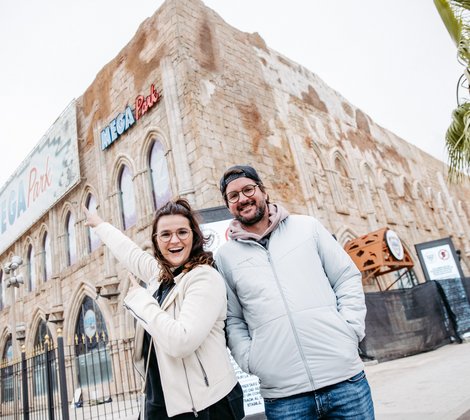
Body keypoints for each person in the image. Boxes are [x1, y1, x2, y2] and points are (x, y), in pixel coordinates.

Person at [215, 165, 375, 420]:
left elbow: (346, 277)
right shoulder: (226, 257)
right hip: (284, 397)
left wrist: (350, 329)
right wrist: (251, 360)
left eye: (248, 189)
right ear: (228, 205)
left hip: (344, 380)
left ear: (264, 192)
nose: (242, 199)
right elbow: (233, 318)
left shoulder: (308, 228)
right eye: (233, 196)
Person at [83, 198, 244, 420]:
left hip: (205, 406)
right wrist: (100, 225)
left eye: (182, 232)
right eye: (165, 234)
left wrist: (141, 301)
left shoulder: (204, 277)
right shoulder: (161, 277)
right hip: (162, 402)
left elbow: (181, 341)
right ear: (156, 241)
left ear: (194, 236)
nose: (174, 240)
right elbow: (131, 253)